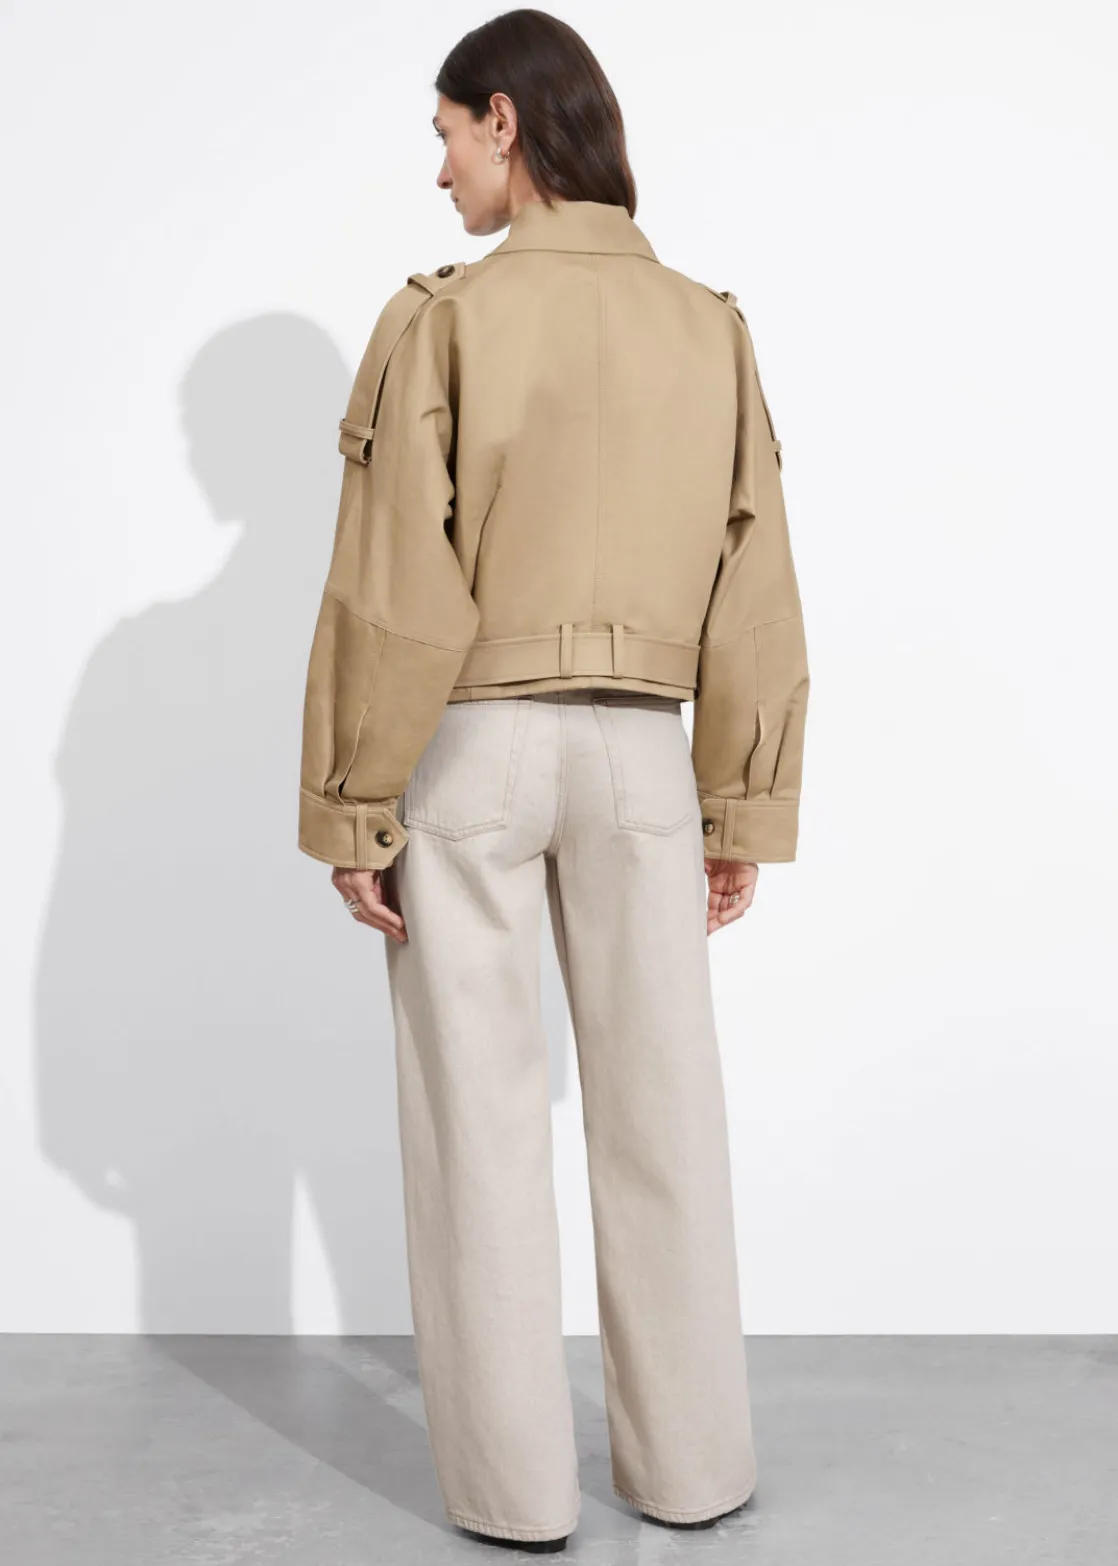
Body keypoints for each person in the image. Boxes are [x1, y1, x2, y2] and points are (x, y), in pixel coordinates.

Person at [296, 8, 809, 1553]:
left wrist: (355, 802)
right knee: (664, 1116)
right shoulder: (706, 326)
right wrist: (737, 804)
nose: (439, 168)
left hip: (474, 746)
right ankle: (692, 1468)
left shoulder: (441, 319)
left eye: (447, 134)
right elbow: (755, 588)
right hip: (644, 751)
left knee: (480, 1121)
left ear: (505, 122)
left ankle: (514, 1496)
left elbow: (396, 587)